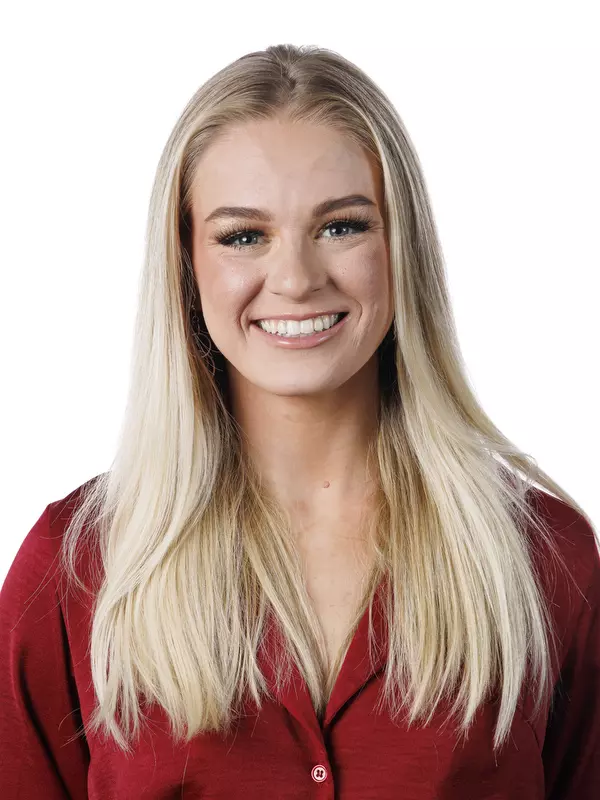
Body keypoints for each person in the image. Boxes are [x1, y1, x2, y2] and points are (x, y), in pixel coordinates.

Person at [1, 43, 598, 799]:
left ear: (400, 246)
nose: (295, 279)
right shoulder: (73, 570)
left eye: (341, 226)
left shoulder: (545, 565)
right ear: (186, 263)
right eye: (243, 235)